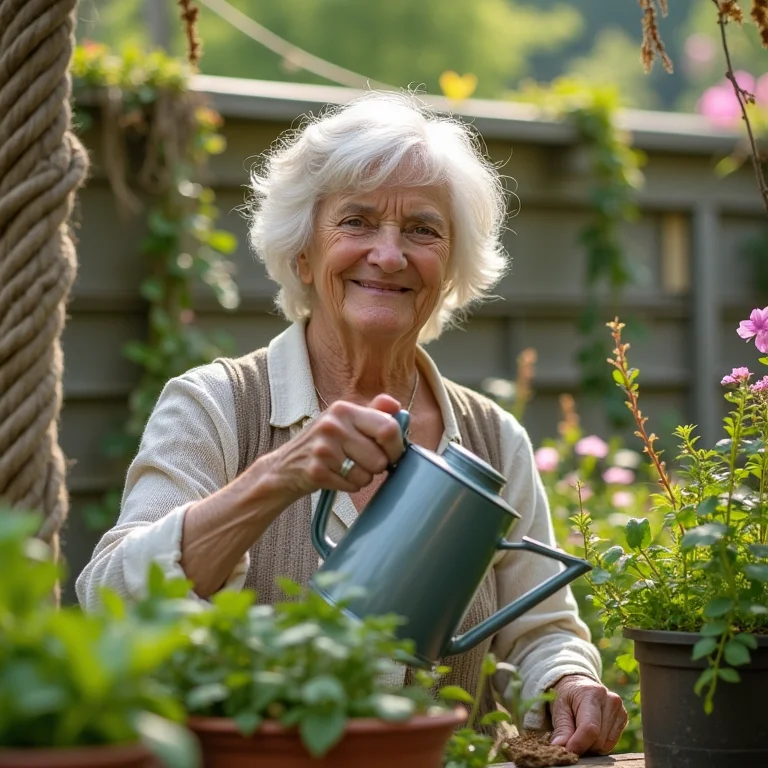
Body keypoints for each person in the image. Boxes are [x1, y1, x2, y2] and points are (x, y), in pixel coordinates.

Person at [77, 93, 627, 754]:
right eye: (357, 222)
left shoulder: (491, 438)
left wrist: (568, 681)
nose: (389, 255)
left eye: (423, 230)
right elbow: (110, 594)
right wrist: (277, 476)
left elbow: (540, 630)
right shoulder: (216, 405)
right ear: (303, 254)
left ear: (451, 268)